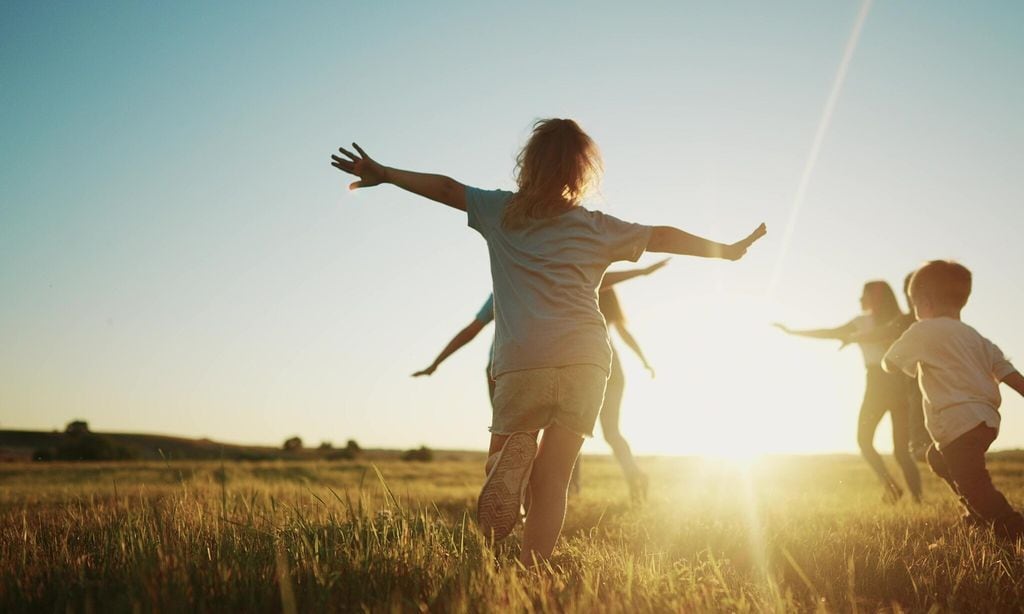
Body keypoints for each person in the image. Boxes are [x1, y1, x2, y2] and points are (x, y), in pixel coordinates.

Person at [331, 118, 766, 565]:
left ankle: (508, 479)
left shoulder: (500, 211)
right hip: (587, 361)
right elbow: (660, 236)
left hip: (523, 360)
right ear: (580, 172)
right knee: (555, 480)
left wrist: (385, 173)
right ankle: (531, 569)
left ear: (529, 163)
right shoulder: (597, 226)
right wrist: (725, 250)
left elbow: (445, 187)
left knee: (499, 466)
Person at [883, 260, 1024, 540]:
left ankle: (1011, 528)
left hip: (957, 423)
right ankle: (978, 512)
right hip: (985, 422)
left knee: (973, 481)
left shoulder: (922, 331)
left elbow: (890, 362)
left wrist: (897, 366)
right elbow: (1011, 375)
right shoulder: (978, 338)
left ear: (924, 301)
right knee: (938, 458)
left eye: (914, 304)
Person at [775, 281, 922, 502]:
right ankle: (916, 499)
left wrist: (792, 332)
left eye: (864, 294)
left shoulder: (863, 323)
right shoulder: (902, 320)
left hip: (878, 383)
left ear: (875, 297)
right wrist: (793, 331)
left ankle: (893, 488)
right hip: (902, 384)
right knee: (901, 451)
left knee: (864, 440)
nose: (860, 299)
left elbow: (830, 333)